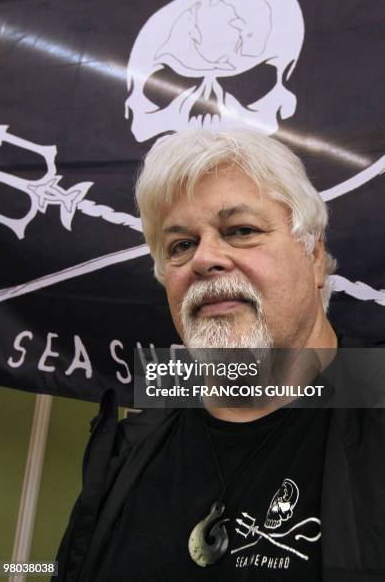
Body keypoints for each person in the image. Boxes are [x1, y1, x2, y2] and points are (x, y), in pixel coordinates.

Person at [55, 129, 385, 581]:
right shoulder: (127, 449)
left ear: (313, 256)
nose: (205, 259)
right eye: (181, 245)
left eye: (241, 231)